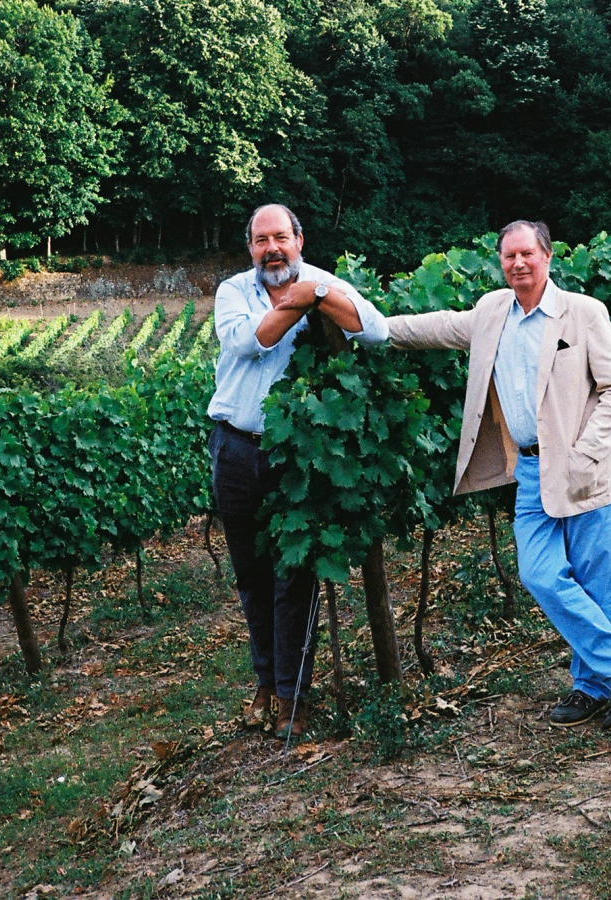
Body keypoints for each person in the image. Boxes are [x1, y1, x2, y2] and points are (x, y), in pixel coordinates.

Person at [387, 220, 611, 730]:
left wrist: (585, 455)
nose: (518, 264)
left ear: (547, 256)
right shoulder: (492, 313)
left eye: (527, 254)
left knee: (597, 584)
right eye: (509, 256)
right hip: (530, 471)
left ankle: (592, 687)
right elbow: (439, 327)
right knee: (538, 573)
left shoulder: (583, 314)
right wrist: (374, 327)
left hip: (585, 471)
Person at [208, 203, 388, 738]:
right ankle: (265, 682)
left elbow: (374, 330)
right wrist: (304, 300)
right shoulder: (233, 292)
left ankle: (292, 696)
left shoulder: (320, 282)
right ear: (250, 248)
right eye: (262, 241)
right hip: (235, 448)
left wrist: (320, 294)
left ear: (299, 239)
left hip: (295, 458)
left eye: (281, 238)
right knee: (250, 578)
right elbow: (248, 341)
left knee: (295, 579)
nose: (273, 249)